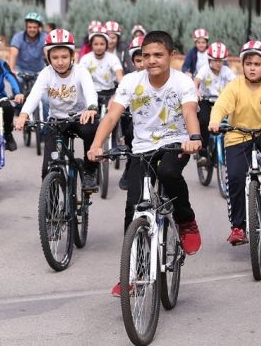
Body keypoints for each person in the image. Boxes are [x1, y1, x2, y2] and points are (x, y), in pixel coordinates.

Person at [86, 30, 203, 297]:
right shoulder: (131, 81)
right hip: (142, 148)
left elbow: (188, 112)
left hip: (176, 143)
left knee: (169, 172)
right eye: (146, 55)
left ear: (171, 56)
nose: (151, 60)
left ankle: (186, 221)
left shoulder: (182, 82)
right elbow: (112, 115)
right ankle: (134, 274)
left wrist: (194, 137)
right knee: (133, 207)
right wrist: (96, 145)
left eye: (158, 55)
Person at [15, 29, 99, 189]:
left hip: (80, 118)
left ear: (72, 56)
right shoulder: (45, 73)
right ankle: (51, 208)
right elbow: (34, 95)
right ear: (48, 58)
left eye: (64, 57)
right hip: (56, 121)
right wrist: (23, 114)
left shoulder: (81, 71)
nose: (60, 62)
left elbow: (90, 91)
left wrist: (92, 108)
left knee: (92, 129)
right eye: (55, 57)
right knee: (47, 169)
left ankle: (89, 172)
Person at [209, 40, 261, 245]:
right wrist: (215, 121)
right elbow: (221, 106)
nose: (252, 67)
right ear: (242, 65)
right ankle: (238, 227)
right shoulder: (235, 85)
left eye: (257, 64)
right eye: (249, 63)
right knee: (237, 178)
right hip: (237, 136)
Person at [194, 42, 236, 167]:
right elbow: (196, 81)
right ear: (209, 59)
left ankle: (225, 149)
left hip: (221, 101)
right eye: (215, 60)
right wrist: (196, 91)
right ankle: (202, 152)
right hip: (206, 99)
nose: (218, 63)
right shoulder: (204, 69)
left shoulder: (226, 71)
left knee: (230, 123)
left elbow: (235, 82)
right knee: (204, 121)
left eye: (221, 61)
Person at [118, 35, 146, 191]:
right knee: (128, 128)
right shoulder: (129, 79)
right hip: (135, 121)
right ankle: (130, 161)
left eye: (146, 58)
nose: (143, 64)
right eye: (138, 61)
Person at [79, 25, 124, 95]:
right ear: (91, 44)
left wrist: (123, 86)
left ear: (106, 44)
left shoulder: (113, 58)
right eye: (96, 44)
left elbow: (119, 74)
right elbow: (80, 76)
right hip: (91, 93)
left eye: (102, 44)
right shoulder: (85, 59)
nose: (99, 47)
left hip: (110, 92)